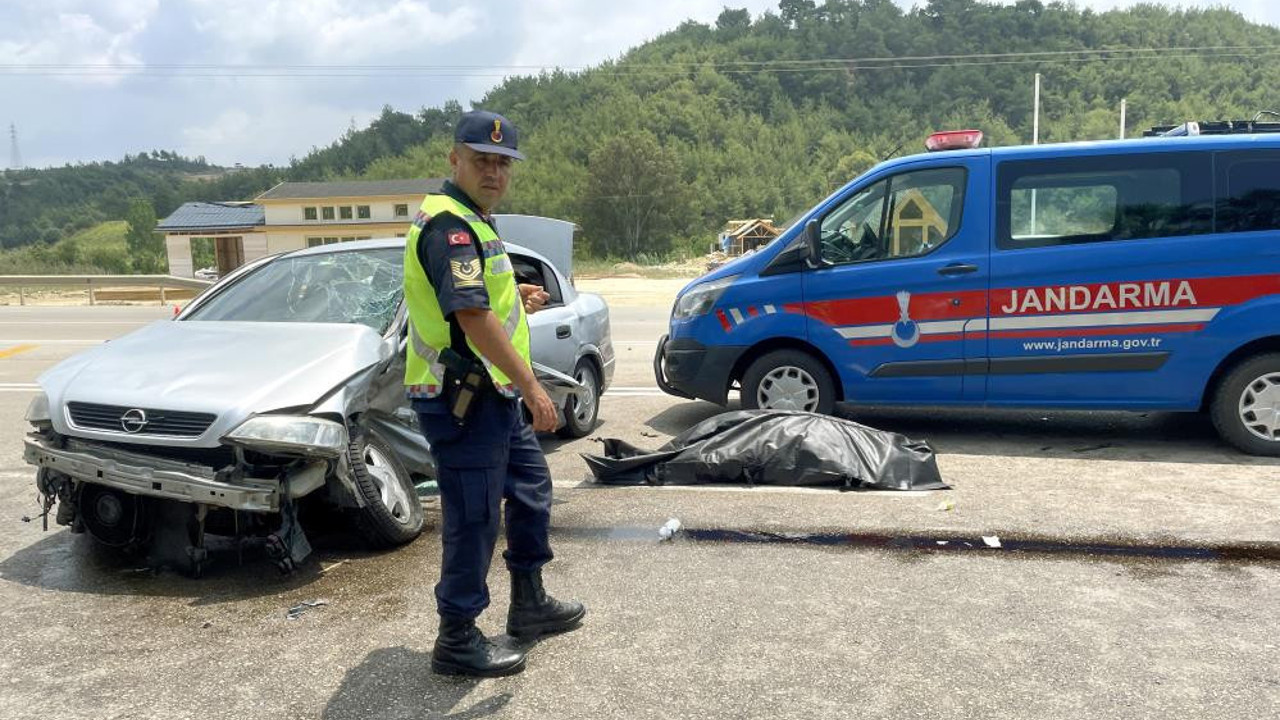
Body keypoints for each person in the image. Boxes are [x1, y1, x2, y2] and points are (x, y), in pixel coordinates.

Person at [402, 110, 585, 678]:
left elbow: (484, 306)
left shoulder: (477, 222)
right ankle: (456, 638)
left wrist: (518, 299)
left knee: (531, 490)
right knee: (474, 515)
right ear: (453, 158)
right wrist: (533, 387)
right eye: (482, 159)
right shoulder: (449, 227)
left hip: (492, 394)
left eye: (503, 163)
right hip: (462, 398)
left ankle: (528, 603)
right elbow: (472, 318)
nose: (494, 171)